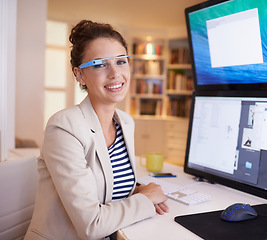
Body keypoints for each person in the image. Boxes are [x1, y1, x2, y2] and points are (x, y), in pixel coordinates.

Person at [25, 20, 168, 240]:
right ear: (80, 75)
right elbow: (92, 225)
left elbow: (105, 182)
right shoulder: (64, 128)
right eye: (100, 64)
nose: (115, 73)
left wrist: (135, 190)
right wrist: (145, 200)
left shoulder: (125, 122)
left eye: (121, 61)